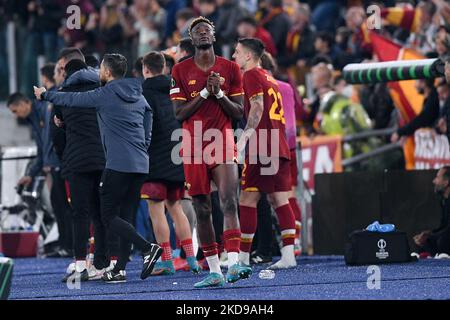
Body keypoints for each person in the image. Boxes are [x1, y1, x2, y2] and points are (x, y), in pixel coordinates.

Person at [34, 53, 162, 283]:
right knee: (126, 216)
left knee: (106, 215)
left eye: (102, 68)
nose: (99, 71)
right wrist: (145, 141)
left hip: (117, 163)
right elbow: (149, 114)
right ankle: (119, 269)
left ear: (108, 72)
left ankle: (147, 248)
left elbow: (73, 100)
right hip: (141, 163)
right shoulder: (137, 92)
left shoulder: (104, 94)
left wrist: (45, 95)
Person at [170, 17, 252, 288]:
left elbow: (239, 113)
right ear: (191, 39)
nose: (203, 34)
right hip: (193, 143)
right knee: (202, 208)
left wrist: (220, 95)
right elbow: (179, 114)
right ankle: (215, 270)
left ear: (214, 36)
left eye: (207, 30)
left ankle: (235, 263)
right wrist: (206, 92)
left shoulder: (230, 68)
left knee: (229, 202)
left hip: (222, 139)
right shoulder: (180, 71)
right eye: (197, 32)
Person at [54, 56, 119, 283]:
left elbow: (58, 130)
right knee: (105, 214)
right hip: (103, 159)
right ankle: (106, 263)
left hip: (77, 162)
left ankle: (81, 265)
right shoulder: (102, 90)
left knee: (80, 215)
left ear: (67, 74)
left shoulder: (63, 95)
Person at [233, 38, 297, 270]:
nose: (233, 56)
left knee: (247, 199)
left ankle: (241, 258)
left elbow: (257, 107)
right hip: (278, 143)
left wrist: (243, 141)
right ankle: (288, 255)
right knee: (279, 198)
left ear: (249, 56)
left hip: (262, 145)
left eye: (237, 52)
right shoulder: (270, 78)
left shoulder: (250, 76)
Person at [140, 51, 200, 275]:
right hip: (177, 157)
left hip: (154, 160)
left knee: (156, 211)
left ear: (146, 69)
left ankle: (166, 262)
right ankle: (191, 260)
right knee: (176, 209)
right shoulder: (176, 89)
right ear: (164, 67)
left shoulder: (143, 91)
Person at [6, 90, 72, 258]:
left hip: (59, 165)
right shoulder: (32, 119)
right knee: (58, 205)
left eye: (15, 111)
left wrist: (54, 162)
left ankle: (70, 245)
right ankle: (65, 244)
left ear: (23, 104)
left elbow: (52, 140)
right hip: (51, 164)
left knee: (64, 206)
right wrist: (31, 173)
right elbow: (42, 150)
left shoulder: (44, 109)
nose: (16, 115)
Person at [413, 166, 450, 257]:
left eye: (437, 177)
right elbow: (444, 226)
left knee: (441, 240)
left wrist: (430, 237)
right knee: (423, 241)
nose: (434, 181)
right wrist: (428, 234)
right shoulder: (444, 201)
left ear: (446, 182)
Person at [391, 78, 440, 143]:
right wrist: (406, 133)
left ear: (423, 82)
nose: (414, 85)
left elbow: (422, 119)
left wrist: (401, 132)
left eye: (416, 81)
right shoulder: (431, 98)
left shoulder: (434, 98)